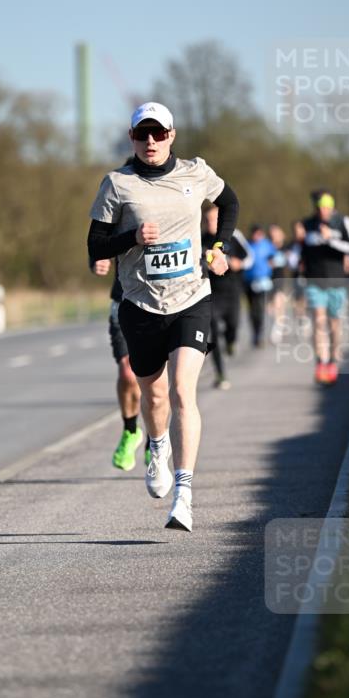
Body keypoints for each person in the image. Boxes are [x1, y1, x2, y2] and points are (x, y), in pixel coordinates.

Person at [87, 101, 239, 532]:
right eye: (141, 134)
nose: (150, 141)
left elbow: (229, 202)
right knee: (153, 398)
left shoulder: (195, 172)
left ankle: (185, 496)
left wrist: (219, 247)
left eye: (158, 133)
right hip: (140, 306)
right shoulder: (118, 184)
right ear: (131, 138)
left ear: (171, 135)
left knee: (182, 393)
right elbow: (95, 246)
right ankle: (156, 447)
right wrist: (130, 238)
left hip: (192, 298)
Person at [90, 255, 151, 470]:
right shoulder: (116, 220)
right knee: (127, 372)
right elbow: (98, 243)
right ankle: (130, 431)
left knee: (157, 376)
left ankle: (155, 437)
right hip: (123, 302)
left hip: (159, 301)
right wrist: (96, 261)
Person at [300, 190, 349, 385]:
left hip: (336, 281)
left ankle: (333, 361)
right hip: (314, 280)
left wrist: (331, 239)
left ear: (332, 206)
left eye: (327, 207)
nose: (323, 211)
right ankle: (320, 363)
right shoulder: (308, 224)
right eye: (320, 207)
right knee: (318, 319)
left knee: (334, 323)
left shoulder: (343, 222)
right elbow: (303, 247)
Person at [201, 204, 252, 389]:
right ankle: (220, 374)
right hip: (210, 293)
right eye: (207, 220)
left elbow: (249, 257)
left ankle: (231, 341)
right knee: (212, 332)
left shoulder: (233, 236)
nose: (210, 223)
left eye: (214, 219)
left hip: (232, 292)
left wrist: (240, 263)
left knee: (233, 326)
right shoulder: (201, 239)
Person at [243, 224, 275, 348]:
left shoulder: (267, 245)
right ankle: (255, 333)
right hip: (249, 281)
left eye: (259, 234)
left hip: (263, 282)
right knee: (252, 310)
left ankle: (260, 335)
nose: (256, 236)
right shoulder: (247, 245)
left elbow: (273, 259)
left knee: (260, 309)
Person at [268, 224, 289, 345]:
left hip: (281, 279)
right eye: (272, 234)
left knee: (278, 303)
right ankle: (277, 324)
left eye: (276, 233)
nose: (274, 236)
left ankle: (278, 329)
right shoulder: (269, 248)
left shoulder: (286, 248)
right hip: (268, 279)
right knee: (270, 307)